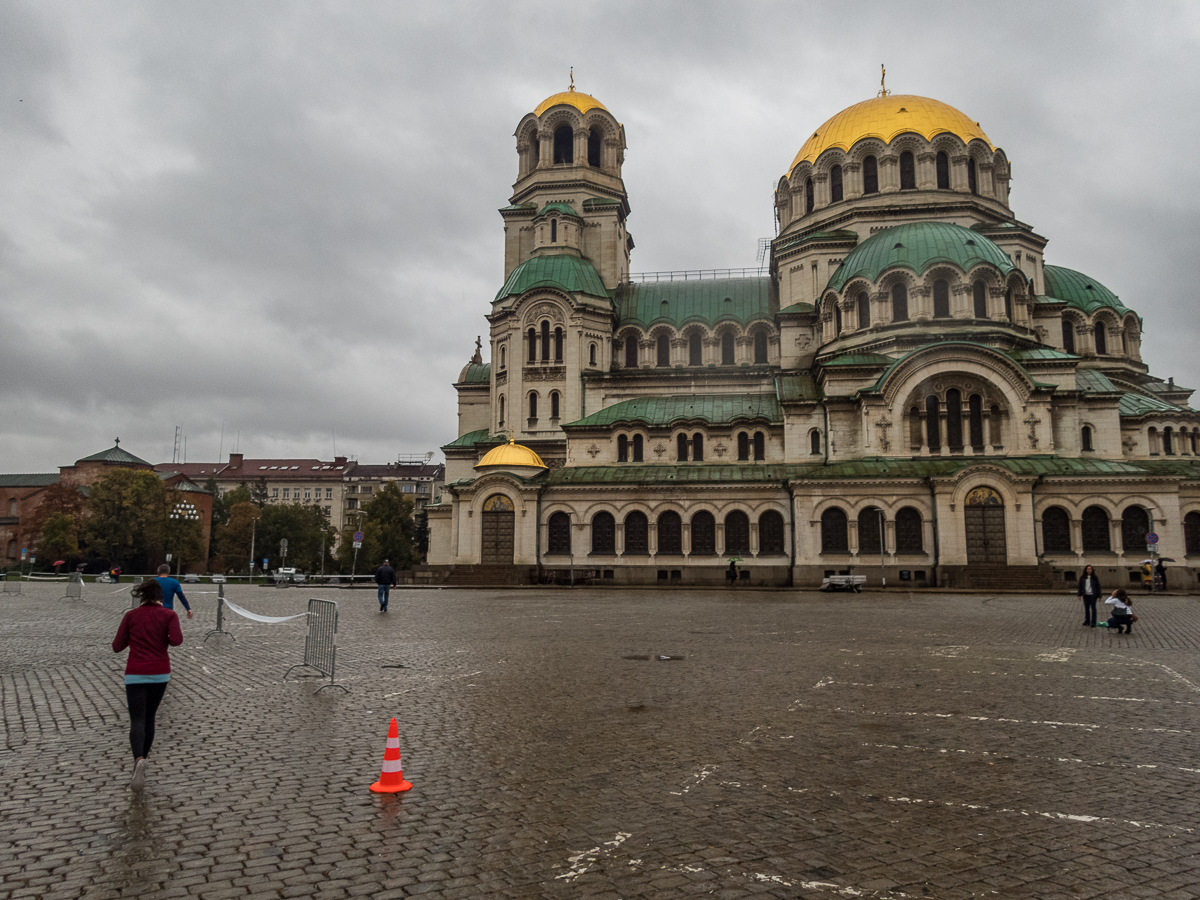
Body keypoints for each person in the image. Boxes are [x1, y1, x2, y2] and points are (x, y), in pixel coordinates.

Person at [112, 578, 183, 790]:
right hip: (160, 673)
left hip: (135, 673)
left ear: (142, 596)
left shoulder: (131, 616)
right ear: (161, 598)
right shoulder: (169, 615)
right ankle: (145, 757)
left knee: (137, 719)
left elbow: (117, 646)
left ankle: (138, 759)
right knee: (150, 716)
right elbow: (177, 640)